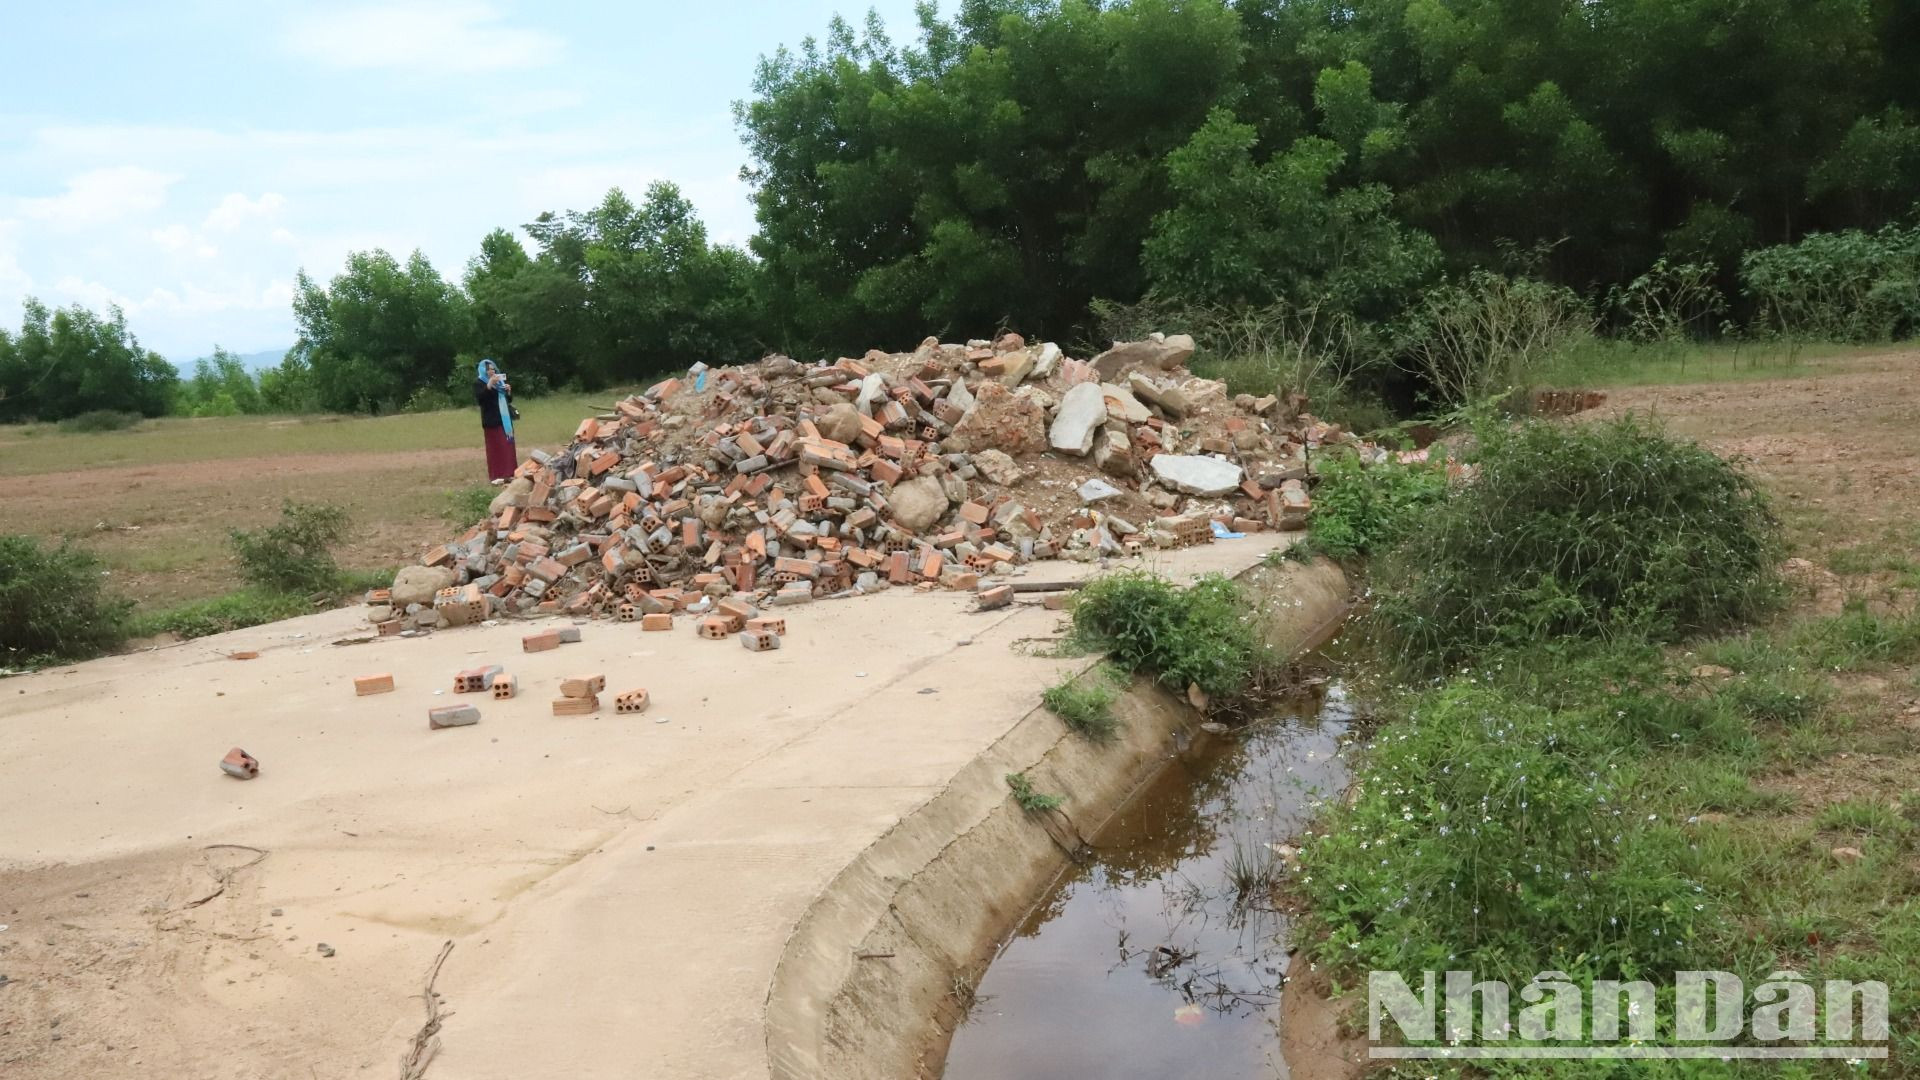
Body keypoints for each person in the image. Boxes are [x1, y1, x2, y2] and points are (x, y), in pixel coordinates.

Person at [475, 359, 516, 484]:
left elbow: (508, 400)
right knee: (496, 448)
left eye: (493, 368)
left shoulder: (500, 381)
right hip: (492, 421)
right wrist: (488, 386)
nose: (491, 371)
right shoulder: (479, 382)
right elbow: (480, 399)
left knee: (508, 446)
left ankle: (510, 473)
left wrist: (508, 391)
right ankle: (497, 475)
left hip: (505, 420)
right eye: (488, 369)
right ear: (483, 370)